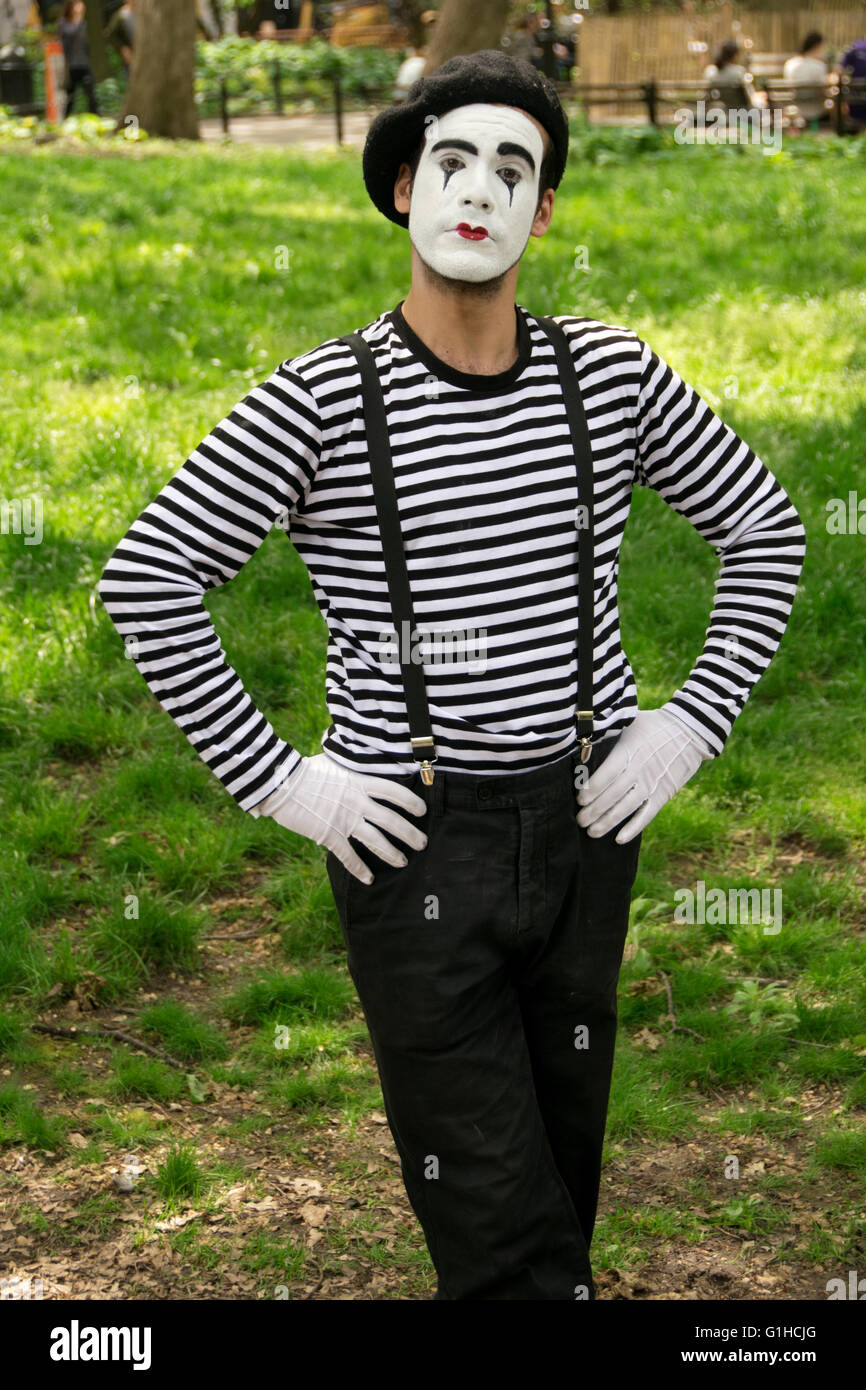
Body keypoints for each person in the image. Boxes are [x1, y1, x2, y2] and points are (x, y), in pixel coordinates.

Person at [97, 51, 807, 1300]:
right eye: (450, 160)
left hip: (587, 824)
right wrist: (287, 784)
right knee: (497, 1219)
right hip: (413, 846)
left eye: (510, 169)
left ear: (541, 213)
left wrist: (686, 725)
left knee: (555, 1168)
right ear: (402, 191)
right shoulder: (319, 400)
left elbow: (767, 528)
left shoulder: (609, 376)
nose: (476, 190)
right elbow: (149, 578)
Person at [57, 0, 99, 118]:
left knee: (91, 95)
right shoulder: (63, 23)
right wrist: (78, 18)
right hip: (71, 66)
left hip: (84, 64)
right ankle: (65, 120)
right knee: (70, 98)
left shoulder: (83, 24)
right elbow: (71, 33)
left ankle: (96, 118)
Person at [783, 31, 829, 127]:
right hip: (815, 110)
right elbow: (824, 91)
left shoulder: (790, 64)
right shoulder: (819, 66)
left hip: (795, 107)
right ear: (818, 46)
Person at [703, 38, 755, 110]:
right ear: (735, 56)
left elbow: (706, 96)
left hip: (722, 112)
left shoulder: (711, 72)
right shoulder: (739, 72)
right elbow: (748, 97)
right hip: (740, 112)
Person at [839, 30, 866, 128]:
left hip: (856, 99)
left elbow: (839, 70)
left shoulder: (854, 47)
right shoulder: (855, 48)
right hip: (856, 98)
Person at [105, 0, 135, 80]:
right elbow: (110, 34)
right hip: (131, 57)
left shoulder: (144, 13)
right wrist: (123, 48)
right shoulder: (121, 14)